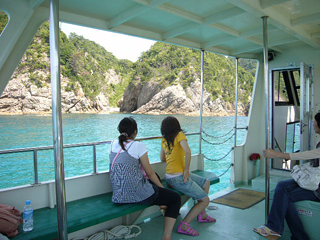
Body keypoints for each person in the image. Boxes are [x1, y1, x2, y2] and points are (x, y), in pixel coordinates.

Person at [109, 117, 181, 240]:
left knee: (155, 177)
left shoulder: (113, 144)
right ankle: (166, 237)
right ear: (135, 132)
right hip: (136, 194)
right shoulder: (138, 145)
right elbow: (149, 173)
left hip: (118, 194)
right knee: (175, 198)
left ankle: (163, 206)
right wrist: (163, 189)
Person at [254, 112, 320, 240]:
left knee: (286, 197)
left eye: (315, 122)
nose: (313, 124)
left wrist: (277, 155)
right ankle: (275, 229)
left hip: (317, 188)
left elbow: (305, 155)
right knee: (282, 185)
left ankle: (291, 235)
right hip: (314, 181)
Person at [160, 116, 216, 237]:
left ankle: (203, 214)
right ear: (177, 126)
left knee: (206, 182)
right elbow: (188, 151)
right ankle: (184, 225)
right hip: (178, 177)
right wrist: (186, 170)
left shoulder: (164, 140)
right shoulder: (179, 135)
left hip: (170, 177)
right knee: (205, 200)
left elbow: (162, 158)